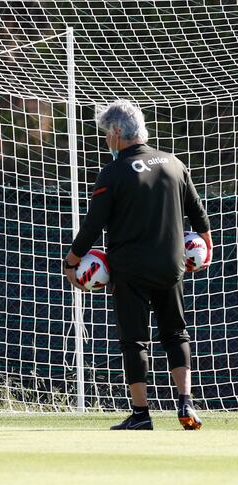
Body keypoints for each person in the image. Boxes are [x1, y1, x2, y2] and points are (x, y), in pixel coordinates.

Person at [63, 100, 212, 430]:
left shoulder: (113, 173)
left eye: (106, 134)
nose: (105, 140)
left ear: (117, 132)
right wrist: (207, 243)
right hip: (171, 265)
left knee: (134, 340)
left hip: (129, 268)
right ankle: (186, 403)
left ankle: (141, 414)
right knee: (175, 332)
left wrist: (72, 261)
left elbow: (93, 224)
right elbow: (197, 211)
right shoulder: (173, 163)